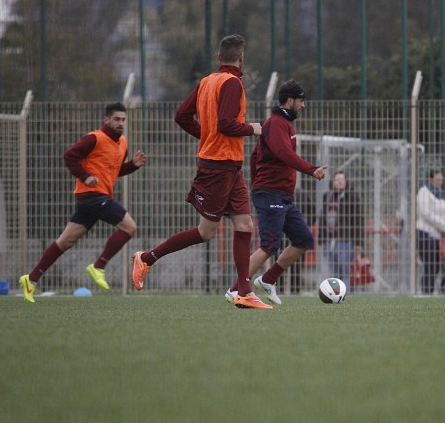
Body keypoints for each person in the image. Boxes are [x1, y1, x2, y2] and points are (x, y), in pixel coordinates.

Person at [131, 34, 270, 309]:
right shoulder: (232, 83)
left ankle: (243, 291)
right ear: (241, 57)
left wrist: (205, 136)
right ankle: (147, 258)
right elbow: (227, 125)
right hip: (217, 166)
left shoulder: (207, 81)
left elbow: (182, 116)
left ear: (219, 58)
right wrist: (252, 128)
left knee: (244, 225)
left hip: (230, 165)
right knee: (206, 232)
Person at [19, 102, 146, 303]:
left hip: (96, 198)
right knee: (130, 227)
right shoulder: (95, 138)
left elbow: (114, 170)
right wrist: (85, 176)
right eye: (117, 119)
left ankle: (31, 279)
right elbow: (70, 156)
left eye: (123, 119)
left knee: (65, 241)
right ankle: (98, 266)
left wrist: (133, 165)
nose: (121, 123)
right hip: (92, 195)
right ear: (107, 120)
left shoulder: (122, 143)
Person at [223, 80, 327, 305]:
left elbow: (254, 157)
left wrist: (256, 184)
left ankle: (268, 280)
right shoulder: (277, 123)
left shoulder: (284, 124)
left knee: (304, 239)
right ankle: (236, 288)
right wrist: (311, 169)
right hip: (270, 194)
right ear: (289, 100)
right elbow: (282, 153)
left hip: (282, 196)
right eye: (301, 101)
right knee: (269, 244)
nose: (303, 105)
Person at [319, 170, 363, 288]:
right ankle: (336, 293)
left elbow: (358, 220)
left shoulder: (352, 197)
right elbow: (323, 217)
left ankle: (346, 294)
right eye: (336, 180)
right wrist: (321, 236)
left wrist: (358, 242)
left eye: (342, 180)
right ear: (332, 182)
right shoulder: (327, 196)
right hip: (329, 239)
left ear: (346, 182)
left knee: (346, 271)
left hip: (345, 238)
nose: (339, 182)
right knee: (334, 271)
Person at [416, 169, 445, 294]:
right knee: (429, 266)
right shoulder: (423, 192)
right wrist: (444, 226)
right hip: (425, 233)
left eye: (441, 180)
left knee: (435, 266)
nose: (440, 183)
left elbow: (443, 212)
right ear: (430, 180)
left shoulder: (439, 195)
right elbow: (426, 214)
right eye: (437, 180)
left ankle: (429, 291)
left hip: (437, 235)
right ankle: (426, 292)